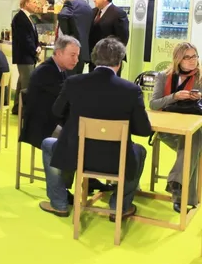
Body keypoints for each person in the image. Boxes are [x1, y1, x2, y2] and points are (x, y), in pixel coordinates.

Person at [39, 38, 152, 218]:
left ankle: (59, 203)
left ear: (93, 58)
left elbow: (57, 110)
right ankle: (119, 206)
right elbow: (144, 130)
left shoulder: (74, 82)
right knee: (140, 151)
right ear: (119, 61)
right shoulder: (130, 90)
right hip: (116, 159)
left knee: (47, 144)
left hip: (76, 155)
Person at [150, 42, 202, 212]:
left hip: (193, 127)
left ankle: (176, 186)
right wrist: (174, 96)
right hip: (168, 129)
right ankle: (185, 196)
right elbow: (153, 103)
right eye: (188, 57)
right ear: (178, 59)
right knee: (193, 146)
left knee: (193, 140)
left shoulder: (200, 77)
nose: (192, 60)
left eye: (195, 56)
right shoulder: (163, 76)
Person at [19, 35, 80, 150]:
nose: (76, 60)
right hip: (42, 126)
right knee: (77, 140)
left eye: (77, 56)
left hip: (53, 119)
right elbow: (67, 99)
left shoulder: (60, 69)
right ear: (59, 53)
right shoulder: (46, 72)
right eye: (72, 55)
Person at [11, 0, 41, 114]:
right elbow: (25, 38)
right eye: (34, 2)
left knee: (21, 82)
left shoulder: (28, 17)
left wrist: (37, 45)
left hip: (28, 55)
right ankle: (24, 111)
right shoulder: (20, 18)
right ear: (26, 3)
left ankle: (17, 107)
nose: (36, 4)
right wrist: (34, 50)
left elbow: (32, 36)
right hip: (24, 56)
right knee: (27, 83)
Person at [90, 0, 129, 75]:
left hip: (111, 58)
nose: (94, 0)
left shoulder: (119, 13)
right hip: (94, 57)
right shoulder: (93, 12)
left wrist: (115, 54)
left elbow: (123, 37)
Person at [58, 0, 93, 75]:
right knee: (77, 78)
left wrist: (67, 34)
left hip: (71, 49)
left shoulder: (70, 3)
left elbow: (62, 16)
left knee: (67, 79)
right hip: (83, 51)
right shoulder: (88, 7)